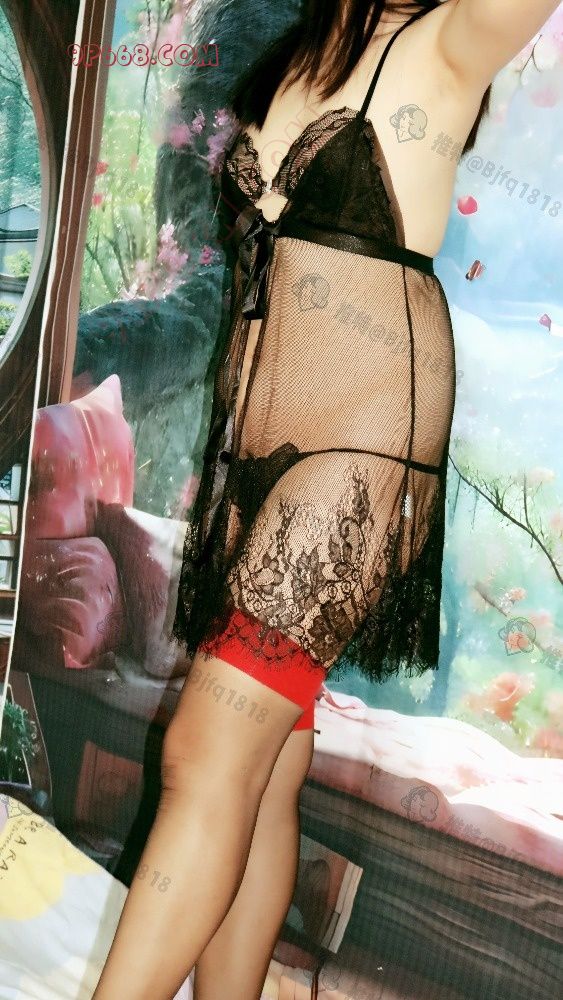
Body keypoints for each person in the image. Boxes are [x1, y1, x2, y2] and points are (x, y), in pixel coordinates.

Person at [92, 2, 560, 998]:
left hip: (356, 452)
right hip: (253, 452)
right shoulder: (303, 49)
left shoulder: (445, 43)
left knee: (204, 749)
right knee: (258, 773)